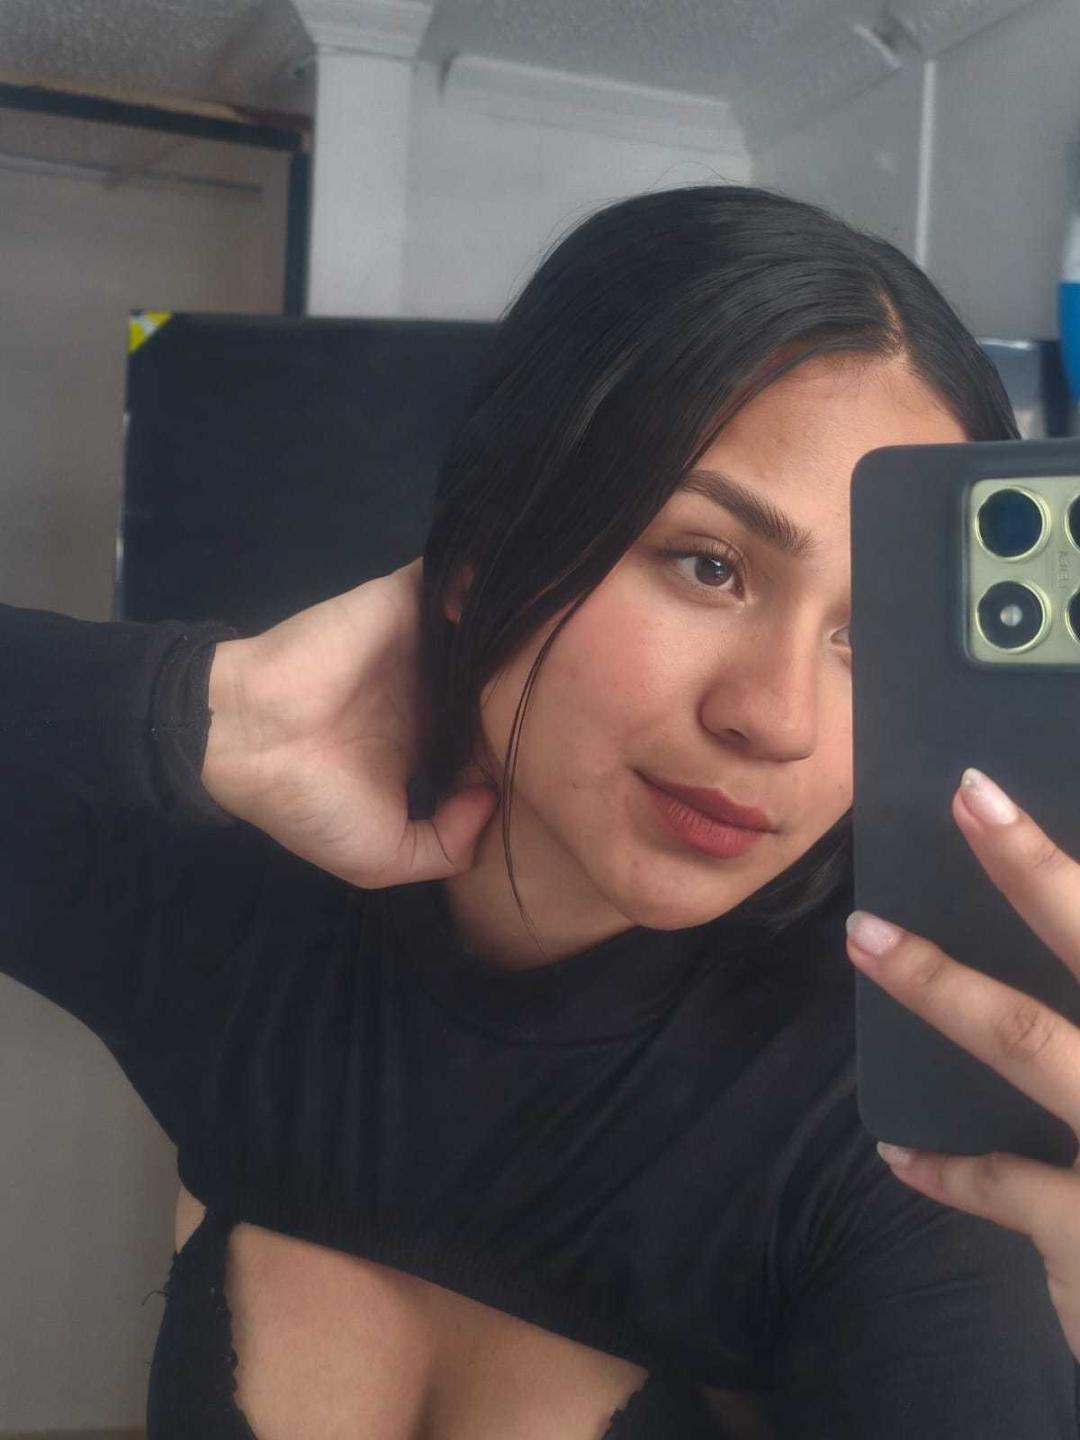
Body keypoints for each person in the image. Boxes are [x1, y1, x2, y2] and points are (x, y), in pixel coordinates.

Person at [2, 185, 1077, 1439]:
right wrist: (215, 712)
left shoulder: (880, 1134)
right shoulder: (235, 907)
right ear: (490, 544)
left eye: (874, 633)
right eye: (710, 564)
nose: (776, 719)